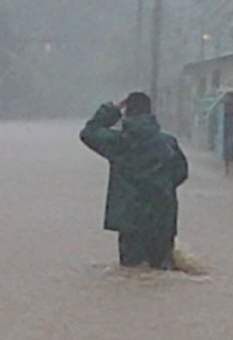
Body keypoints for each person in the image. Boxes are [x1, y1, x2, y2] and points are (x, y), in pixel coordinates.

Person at [80, 92, 188, 269]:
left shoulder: (120, 143)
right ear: (151, 113)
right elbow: (181, 173)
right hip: (163, 218)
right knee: (162, 272)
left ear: (127, 113)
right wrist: (161, 187)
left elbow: (88, 133)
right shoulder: (168, 143)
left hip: (130, 221)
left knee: (133, 272)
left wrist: (113, 109)